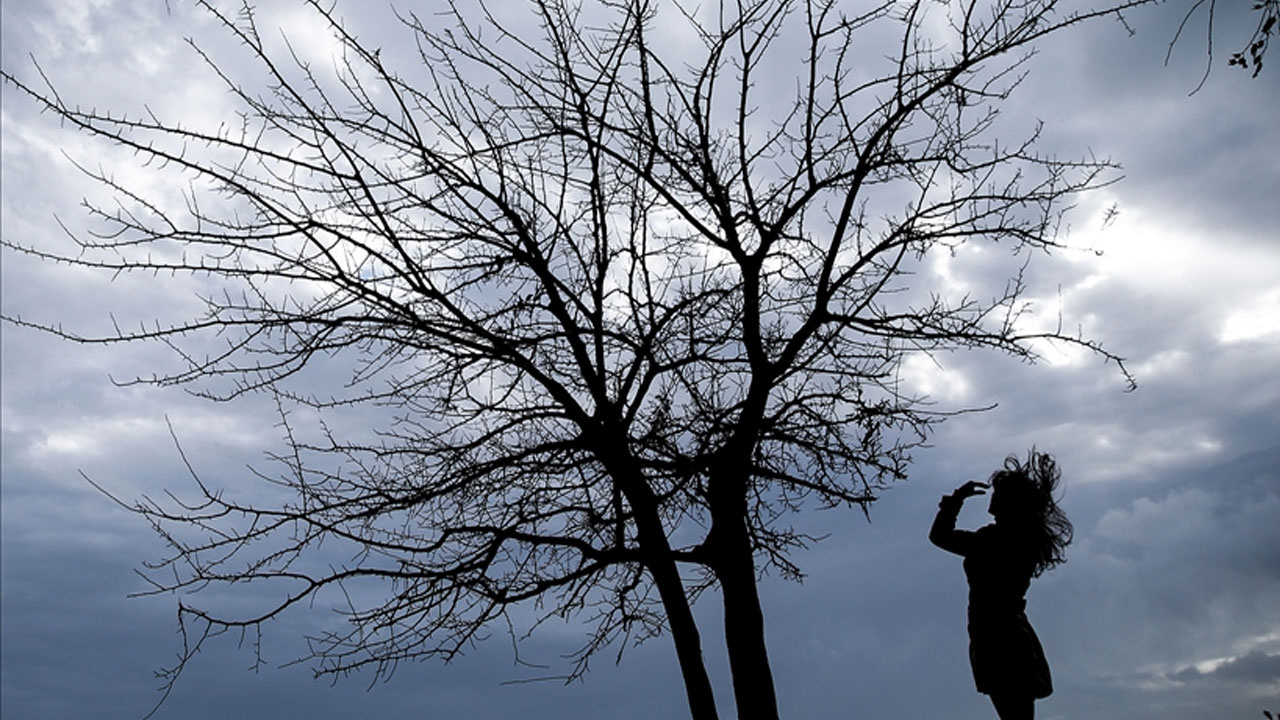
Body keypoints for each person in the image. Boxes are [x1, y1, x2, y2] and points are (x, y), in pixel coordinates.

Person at [929, 450, 1073, 720]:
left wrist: (955, 501)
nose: (992, 497)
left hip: (998, 637)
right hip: (1003, 633)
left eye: (999, 493)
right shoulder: (1018, 540)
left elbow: (940, 536)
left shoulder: (995, 541)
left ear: (1009, 503)